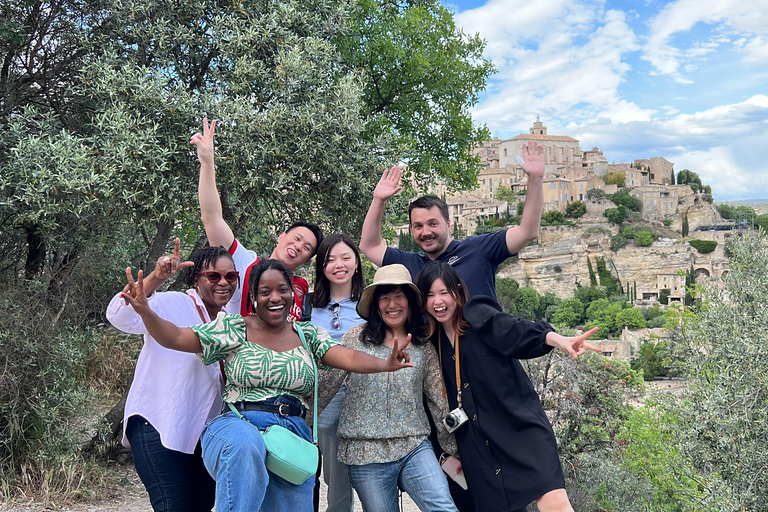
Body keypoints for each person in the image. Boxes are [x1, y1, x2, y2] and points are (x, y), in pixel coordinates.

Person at [118, 258, 413, 512]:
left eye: (282, 290)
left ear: (293, 295)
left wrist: (385, 363)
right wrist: (146, 310)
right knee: (246, 445)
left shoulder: (308, 334)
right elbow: (176, 337)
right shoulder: (234, 327)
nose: (275, 297)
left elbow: (347, 356)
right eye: (265, 291)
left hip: (291, 435)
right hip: (238, 423)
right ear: (254, 298)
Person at [416, 261, 600, 512]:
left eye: (444, 292)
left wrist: (555, 339)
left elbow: (513, 329)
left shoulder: (476, 314)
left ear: (458, 291)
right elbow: (427, 404)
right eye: (429, 295)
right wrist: (443, 454)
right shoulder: (428, 343)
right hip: (476, 445)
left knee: (554, 501)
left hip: (518, 427)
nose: (438, 301)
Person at [106, 239, 234, 511]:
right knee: (172, 505)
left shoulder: (229, 324)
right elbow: (119, 316)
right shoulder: (174, 303)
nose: (223, 282)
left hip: (203, 436)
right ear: (197, 279)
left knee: (200, 505)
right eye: (214, 275)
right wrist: (157, 278)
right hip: (158, 423)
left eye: (230, 276)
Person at [320, 264, 458, 512]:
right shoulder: (355, 339)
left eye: (398, 297)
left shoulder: (422, 346)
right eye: (385, 298)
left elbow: (439, 400)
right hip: (366, 452)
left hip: (414, 444)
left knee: (444, 507)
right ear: (375, 304)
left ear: (410, 302)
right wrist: (300, 420)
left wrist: (453, 449)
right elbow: (327, 384)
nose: (392, 305)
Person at [359, 140, 546, 300]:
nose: (426, 232)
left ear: (448, 224)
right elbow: (369, 246)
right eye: (418, 226)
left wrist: (535, 179)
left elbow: (527, 232)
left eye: (433, 223)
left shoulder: (478, 250)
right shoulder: (411, 263)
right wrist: (378, 200)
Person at [191, 118, 323, 321]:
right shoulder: (244, 263)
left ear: (307, 260)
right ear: (281, 236)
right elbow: (212, 219)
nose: (298, 246)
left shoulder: (299, 290)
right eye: (297, 238)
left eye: (307, 248)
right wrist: (207, 164)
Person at [310, 234, 366, 512]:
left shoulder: (371, 304)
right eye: (330, 259)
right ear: (322, 267)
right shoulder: (309, 305)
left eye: (345, 257)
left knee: (358, 472)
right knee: (333, 473)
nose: (338, 265)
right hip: (320, 396)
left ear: (357, 262)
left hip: (362, 393)